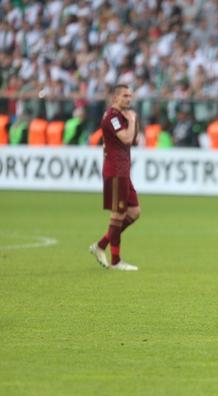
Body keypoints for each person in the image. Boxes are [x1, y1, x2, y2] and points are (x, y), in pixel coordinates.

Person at [88, 84, 140, 271]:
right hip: (115, 170)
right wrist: (132, 121)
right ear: (115, 98)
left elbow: (135, 140)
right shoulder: (112, 117)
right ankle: (116, 260)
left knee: (134, 212)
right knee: (118, 214)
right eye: (125, 96)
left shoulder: (123, 117)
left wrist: (134, 121)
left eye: (130, 96)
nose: (129, 99)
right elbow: (126, 138)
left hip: (123, 170)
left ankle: (101, 245)